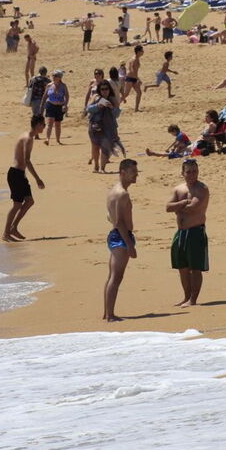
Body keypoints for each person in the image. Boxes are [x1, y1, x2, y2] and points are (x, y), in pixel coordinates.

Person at [166, 159, 210, 307]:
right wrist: (182, 203)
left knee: (195, 268)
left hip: (195, 231)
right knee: (182, 267)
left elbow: (193, 208)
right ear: (182, 173)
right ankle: (186, 297)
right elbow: (167, 207)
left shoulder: (201, 189)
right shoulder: (179, 189)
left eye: (194, 171)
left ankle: (193, 299)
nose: (192, 174)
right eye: (189, 171)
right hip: (181, 232)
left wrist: (178, 206)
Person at [104, 159, 139, 322]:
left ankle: (107, 312)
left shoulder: (114, 190)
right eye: (133, 172)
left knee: (112, 276)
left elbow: (109, 216)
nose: (136, 174)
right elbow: (118, 222)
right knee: (116, 277)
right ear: (122, 173)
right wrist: (130, 245)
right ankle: (110, 315)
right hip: (120, 237)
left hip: (116, 235)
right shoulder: (122, 194)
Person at [3, 115, 46, 242]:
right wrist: (37, 179)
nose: (44, 127)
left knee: (29, 201)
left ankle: (13, 227)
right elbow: (27, 160)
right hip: (15, 174)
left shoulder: (27, 135)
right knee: (17, 204)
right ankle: (6, 233)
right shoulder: (28, 139)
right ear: (38, 125)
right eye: (43, 125)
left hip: (19, 174)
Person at [86, 80, 119, 172]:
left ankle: (102, 168)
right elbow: (88, 108)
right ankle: (96, 166)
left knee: (106, 147)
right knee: (95, 146)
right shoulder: (95, 97)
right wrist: (97, 106)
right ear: (99, 90)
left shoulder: (112, 99)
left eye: (106, 89)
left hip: (108, 126)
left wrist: (112, 108)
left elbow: (117, 114)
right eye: (102, 89)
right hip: (95, 126)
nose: (105, 91)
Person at [40, 69, 68, 146]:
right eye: (53, 75)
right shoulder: (49, 85)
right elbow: (45, 96)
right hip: (50, 105)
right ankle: (47, 139)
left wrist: (65, 105)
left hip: (59, 106)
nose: (54, 77)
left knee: (58, 124)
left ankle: (58, 140)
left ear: (60, 77)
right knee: (49, 123)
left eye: (56, 76)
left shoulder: (63, 86)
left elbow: (67, 96)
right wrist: (42, 105)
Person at [123, 45, 144, 111]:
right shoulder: (134, 59)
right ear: (138, 52)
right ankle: (116, 105)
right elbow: (132, 70)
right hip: (130, 78)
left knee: (139, 93)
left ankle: (136, 108)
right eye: (142, 51)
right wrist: (138, 79)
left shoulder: (136, 58)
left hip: (134, 78)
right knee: (126, 94)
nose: (143, 52)